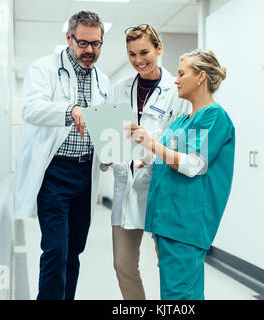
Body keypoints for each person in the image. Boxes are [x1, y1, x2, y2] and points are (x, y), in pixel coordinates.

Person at [14, 11, 109, 300]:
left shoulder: (102, 80)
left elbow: (104, 123)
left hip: (84, 175)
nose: (89, 50)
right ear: (68, 38)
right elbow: (30, 108)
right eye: (83, 43)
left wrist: (109, 151)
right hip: (54, 174)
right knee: (55, 248)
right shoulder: (44, 69)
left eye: (96, 44)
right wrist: (70, 111)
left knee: (74, 250)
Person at [126, 49, 235, 300]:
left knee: (179, 295)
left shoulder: (214, 116)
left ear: (201, 77)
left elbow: (193, 164)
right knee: (178, 292)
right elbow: (169, 157)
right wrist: (148, 160)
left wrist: (151, 144)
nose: (175, 79)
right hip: (167, 220)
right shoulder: (181, 121)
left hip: (186, 223)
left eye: (181, 73)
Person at [101, 24, 190, 300]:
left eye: (144, 52)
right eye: (131, 54)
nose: (138, 60)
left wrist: (152, 150)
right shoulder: (119, 90)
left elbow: (184, 146)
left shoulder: (177, 91)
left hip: (163, 186)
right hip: (127, 186)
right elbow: (109, 138)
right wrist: (107, 151)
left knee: (169, 265)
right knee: (123, 264)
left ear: (158, 48)